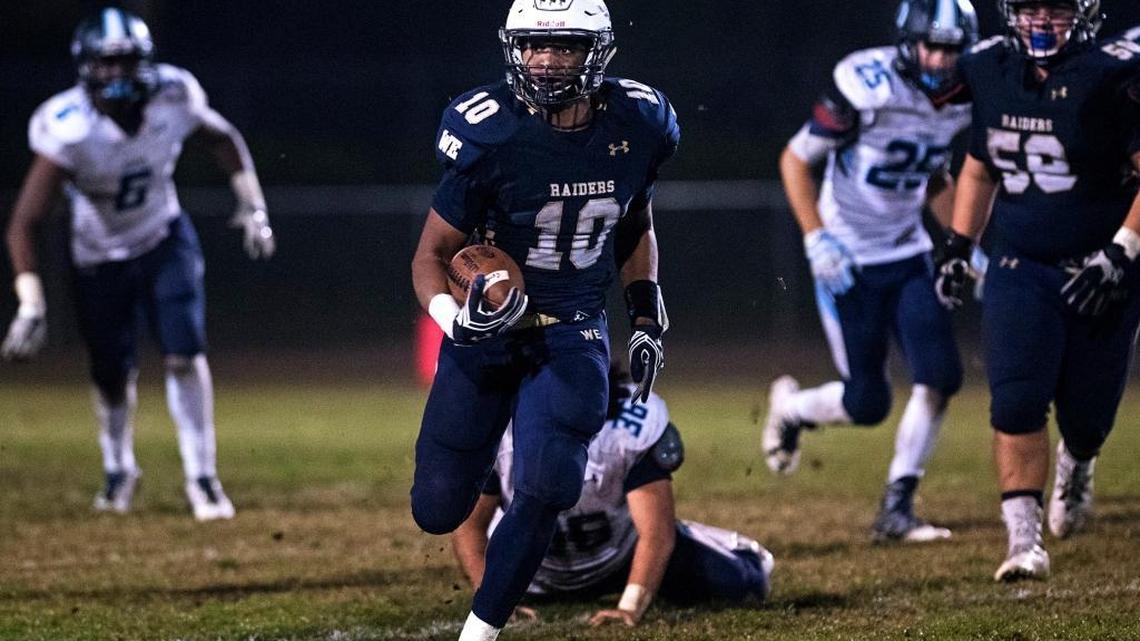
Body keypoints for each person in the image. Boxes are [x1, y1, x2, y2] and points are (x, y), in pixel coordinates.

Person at [408, 1, 678, 639]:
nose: (545, 61)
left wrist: (643, 311)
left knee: (548, 480)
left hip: (572, 329)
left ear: (598, 53)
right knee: (438, 508)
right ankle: (476, 457)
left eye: (562, 47)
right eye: (533, 47)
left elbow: (635, 221)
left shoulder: (639, 121)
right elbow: (432, 255)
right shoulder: (488, 130)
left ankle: (481, 631)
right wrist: (453, 319)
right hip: (486, 332)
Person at [2, 8, 275, 521]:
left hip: (163, 237)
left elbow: (223, 138)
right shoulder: (70, 127)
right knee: (111, 372)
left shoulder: (174, 94)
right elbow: (24, 221)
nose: (117, 75)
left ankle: (202, 476)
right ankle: (119, 468)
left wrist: (252, 205)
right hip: (97, 256)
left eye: (126, 62)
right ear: (85, 68)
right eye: (106, 64)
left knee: (184, 352)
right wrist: (31, 304)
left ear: (145, 62)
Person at [935, 0, 1140, 581]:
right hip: (1021, 263)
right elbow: (979, 166)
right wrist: (957, 244)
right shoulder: (990, 67)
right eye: (1028, 10)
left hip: (1104, 267)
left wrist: (1121, 252)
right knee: (1017, 400)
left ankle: (1077, 464)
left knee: (1087, 416)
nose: (1040, 22)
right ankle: (1023, 543)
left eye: (1054, 9)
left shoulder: (1113, 77)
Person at [764, 0, 982, 542]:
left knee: (941, 376)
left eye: (951, 49)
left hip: (907, 253)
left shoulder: (959, 98)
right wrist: (816, 239)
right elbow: (795, 160)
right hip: (847, 258)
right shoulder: (867, 83)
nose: (938, 58)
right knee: (867, 403)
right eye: (930, 44)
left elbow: (931, 177)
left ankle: (897, 506)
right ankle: (791, 409)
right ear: (907, 42)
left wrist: (964, 244)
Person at [452, 366, 773, 627]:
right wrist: (491, 599)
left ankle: (698, 541)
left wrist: (630, 607)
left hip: (619, 556)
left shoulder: (625, 429)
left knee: (744, 581)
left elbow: (656, 533)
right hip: (528, 568)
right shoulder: (502, 429)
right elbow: (469, 527)